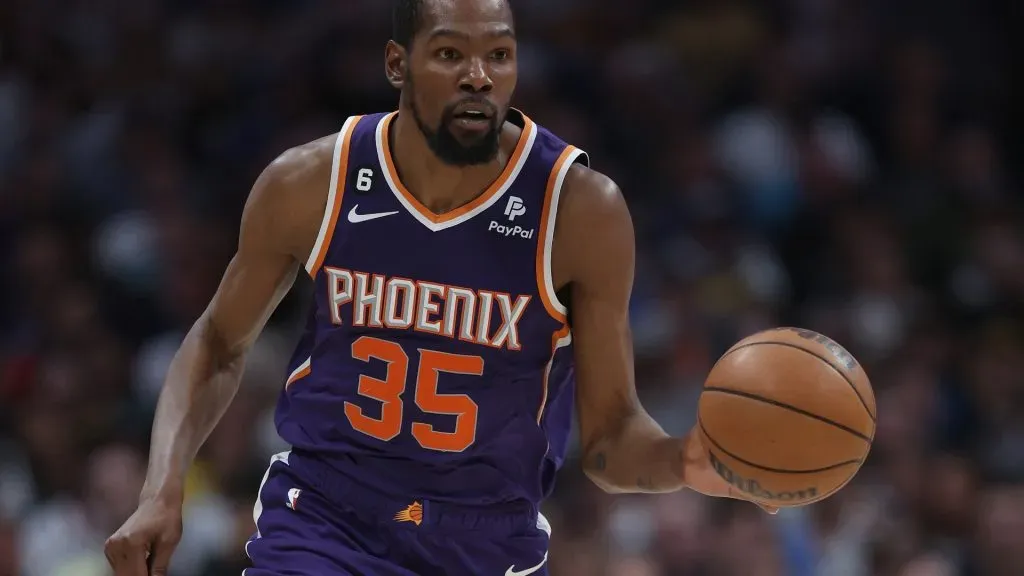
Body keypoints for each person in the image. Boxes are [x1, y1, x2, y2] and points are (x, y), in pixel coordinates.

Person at [104, 0, 774, 574]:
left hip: (484, 542)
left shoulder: (578, 210)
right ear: (398, 65)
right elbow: (218, 343)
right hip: (326, 522)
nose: (479, 76)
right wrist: (161, 489)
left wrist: (685, 461)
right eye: (451, 54)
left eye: (499, 55)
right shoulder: (312, 182)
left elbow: (609, 441)